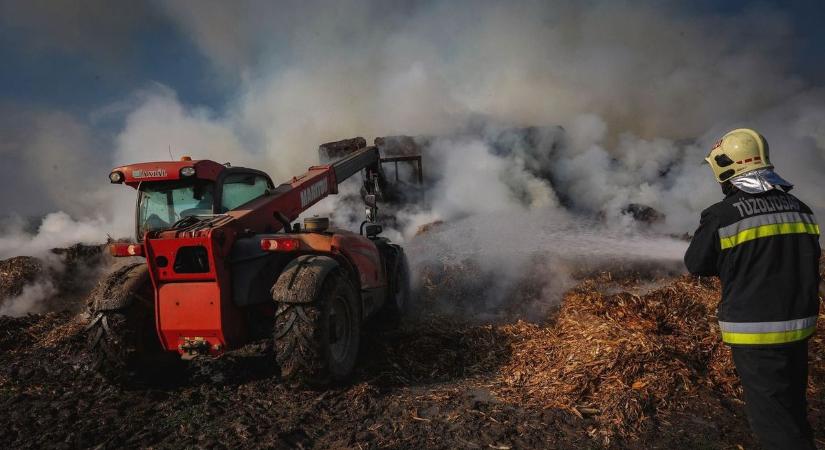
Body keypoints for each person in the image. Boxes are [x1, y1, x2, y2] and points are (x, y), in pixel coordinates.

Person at [684, 128, 821, 449]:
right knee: (791, 410)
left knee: (773, 425)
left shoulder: (722, 215)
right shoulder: (800, 208)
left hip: (757, 334)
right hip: (799, 327)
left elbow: (697, 264)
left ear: (725, 168)